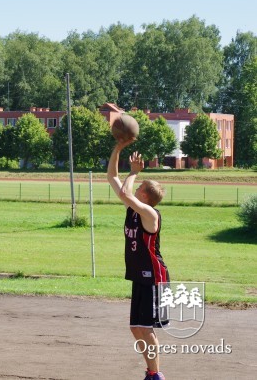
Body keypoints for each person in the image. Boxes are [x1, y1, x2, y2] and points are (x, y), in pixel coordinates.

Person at [107, 141, 169, 380]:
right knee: (135, 328)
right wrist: (118, 148)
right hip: (140, 276)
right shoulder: (134, 209)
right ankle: (151, 372)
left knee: (145, 327)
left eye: (139, 186)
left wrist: (133, 172)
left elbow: (125, 192)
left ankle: (156, 375)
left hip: (154, 277)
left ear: (144, 195)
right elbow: (112, 177)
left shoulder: (150, 214)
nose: (135, 185)